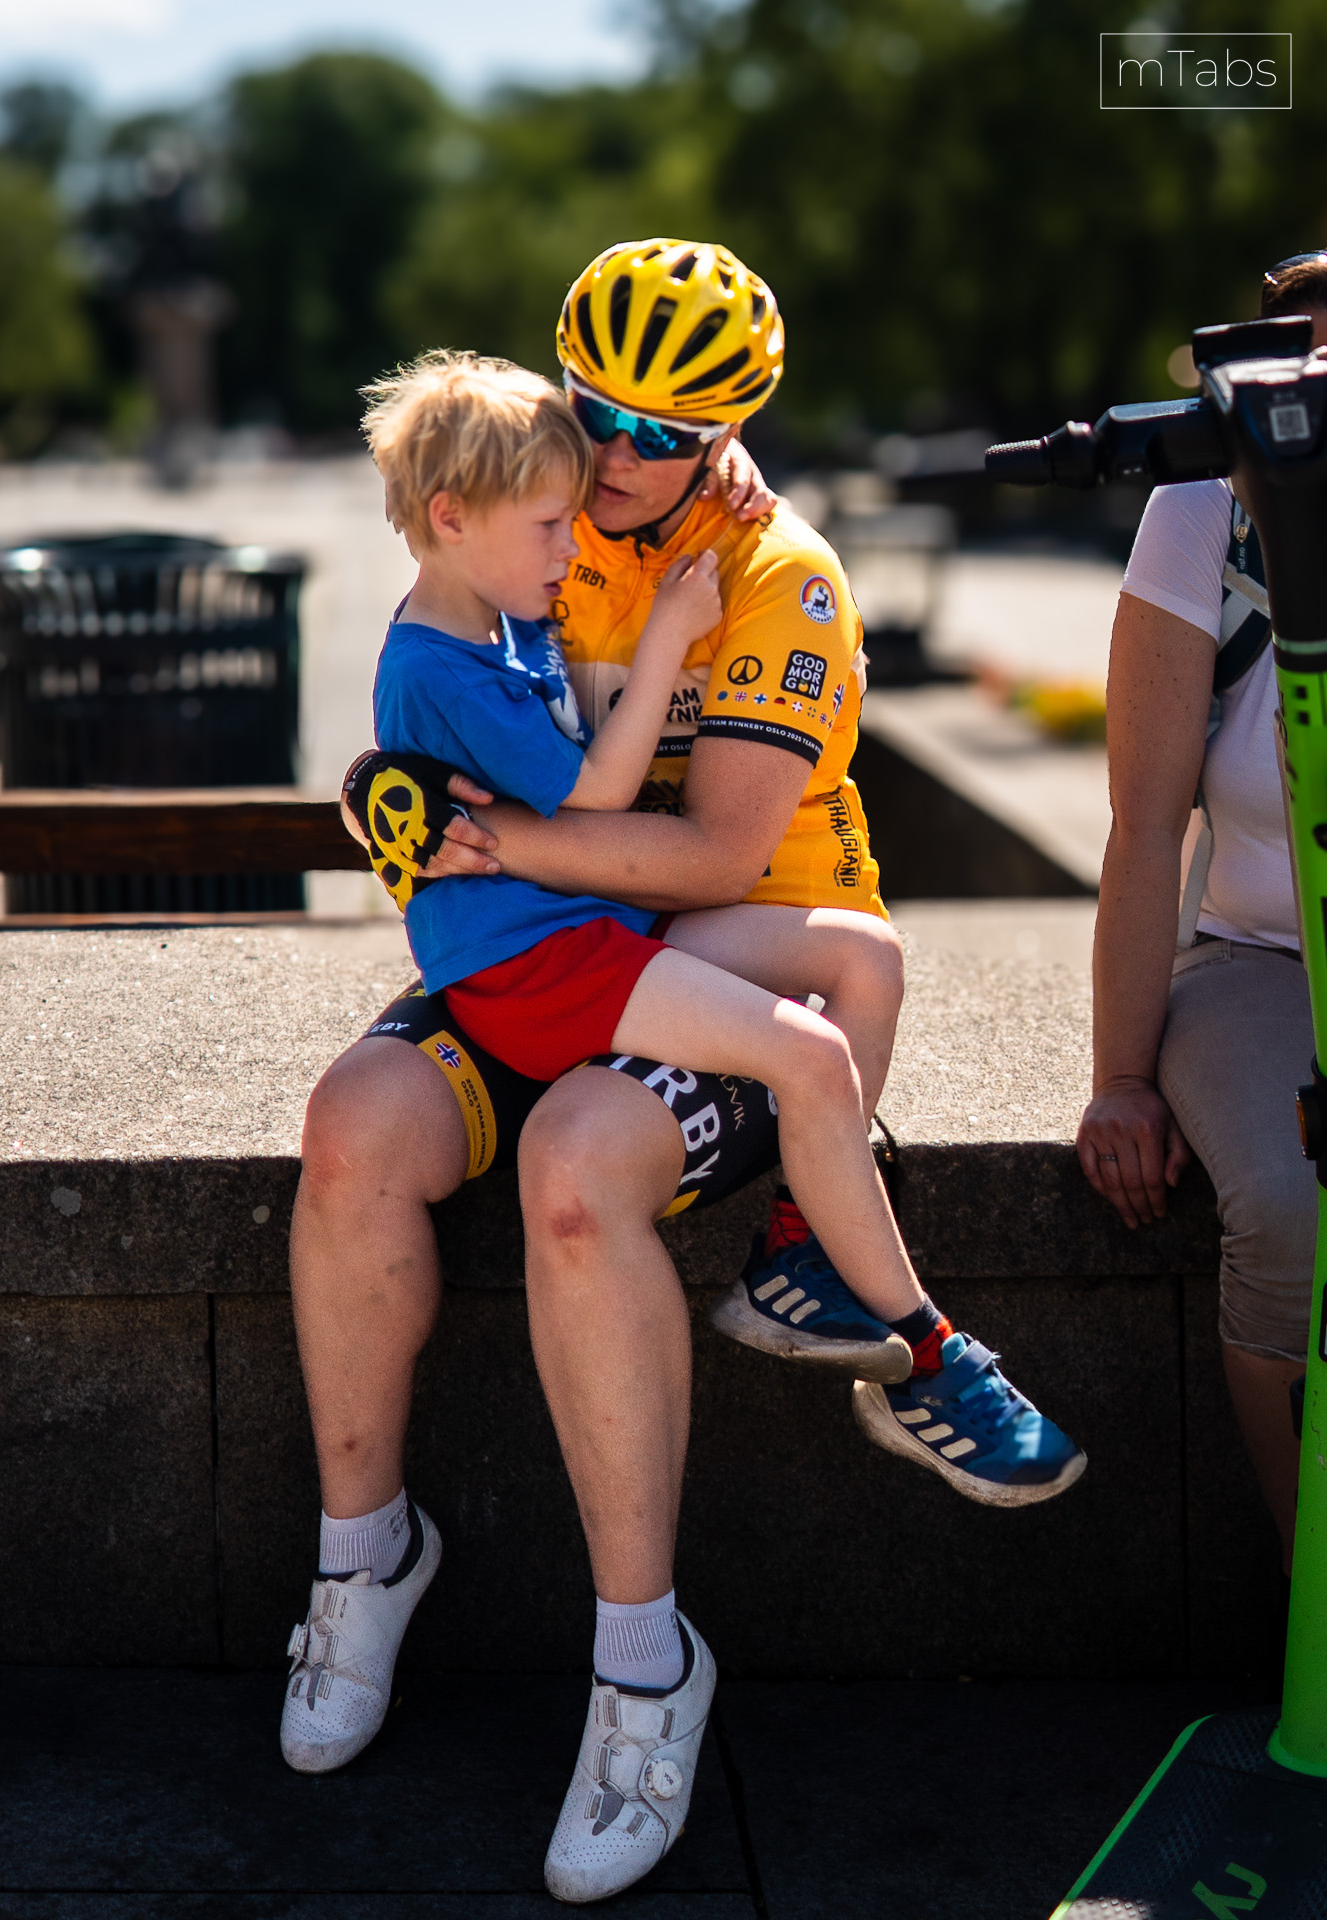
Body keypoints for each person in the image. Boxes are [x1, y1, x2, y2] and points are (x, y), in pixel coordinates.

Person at [285, 239, 1078, 1905]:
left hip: (722, 932)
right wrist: (391, 781)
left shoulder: (775, 577)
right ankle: (366, 1559)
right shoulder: (541, 507)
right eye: (598, 415)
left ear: (725, 434)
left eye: (666, 433)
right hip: (567, 943)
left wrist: (500, 834)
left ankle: (644, 1666)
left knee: (576, 1174)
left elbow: (712, 852)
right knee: (351, 1124)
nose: (618, 458)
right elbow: (438, 645)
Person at [1077, 249, 1327, 1574]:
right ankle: (1314, 1596)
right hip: (1261, 955)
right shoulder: (1203, 514)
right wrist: (1122, 1079)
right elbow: (1144, 822)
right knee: (1289, 1209)